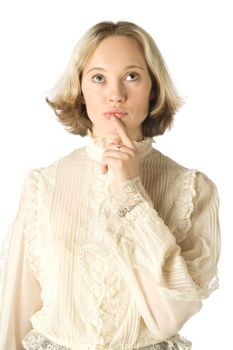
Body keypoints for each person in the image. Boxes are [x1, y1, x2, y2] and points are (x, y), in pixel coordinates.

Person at [0, 21, 221, 350]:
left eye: (132, 76)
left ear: (153, 89)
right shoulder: (41, 185)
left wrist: (130, 191)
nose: (116, 94)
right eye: (99, 78)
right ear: (81, 89)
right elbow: (13, 316)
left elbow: (170, 314)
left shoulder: (191, 188)